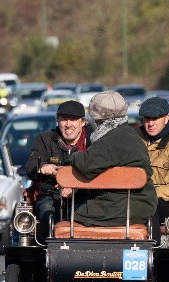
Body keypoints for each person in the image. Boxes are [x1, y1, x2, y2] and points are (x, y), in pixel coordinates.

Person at [51, 90, 157, 234]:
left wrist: (74, 156)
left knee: (71, 213)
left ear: (97, 119)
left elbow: (87, 165)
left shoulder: (110, 139)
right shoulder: (131, 134)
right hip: (141, 206)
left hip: (117, 209)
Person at [24, 100, 89, 238]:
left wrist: (76, 185)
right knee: (47, 211)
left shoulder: (93, 140)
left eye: (73, 120)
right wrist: (42, 167)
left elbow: (101, 170)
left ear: (83, 122)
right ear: (57, 120)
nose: (68, 125)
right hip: (51, 194)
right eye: (64, 119)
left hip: (86, 196)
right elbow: (30, 166)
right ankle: (48, 251)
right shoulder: (44, 138)